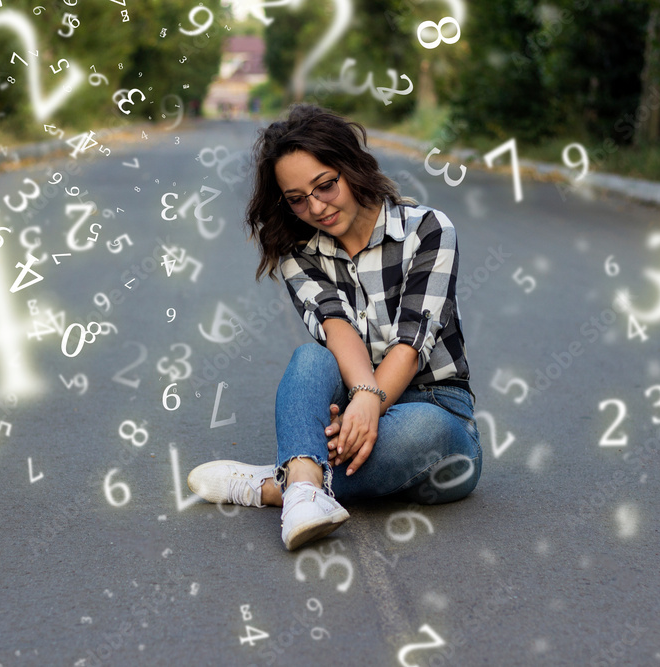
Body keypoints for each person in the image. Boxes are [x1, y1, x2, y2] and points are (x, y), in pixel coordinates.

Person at [187, 104, 481, 550]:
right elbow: (335, 325)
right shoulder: (298, 250)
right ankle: (306, 490)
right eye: (297, 199)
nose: (316, 207)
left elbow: (412, 340)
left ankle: (280, 484)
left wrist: (370, 405)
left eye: (325, 186)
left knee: (424, 430)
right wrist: (363, 397)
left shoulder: (427, 230)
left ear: (352, 167)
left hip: (439, 412)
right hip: (355, 403)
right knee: (310, 357)